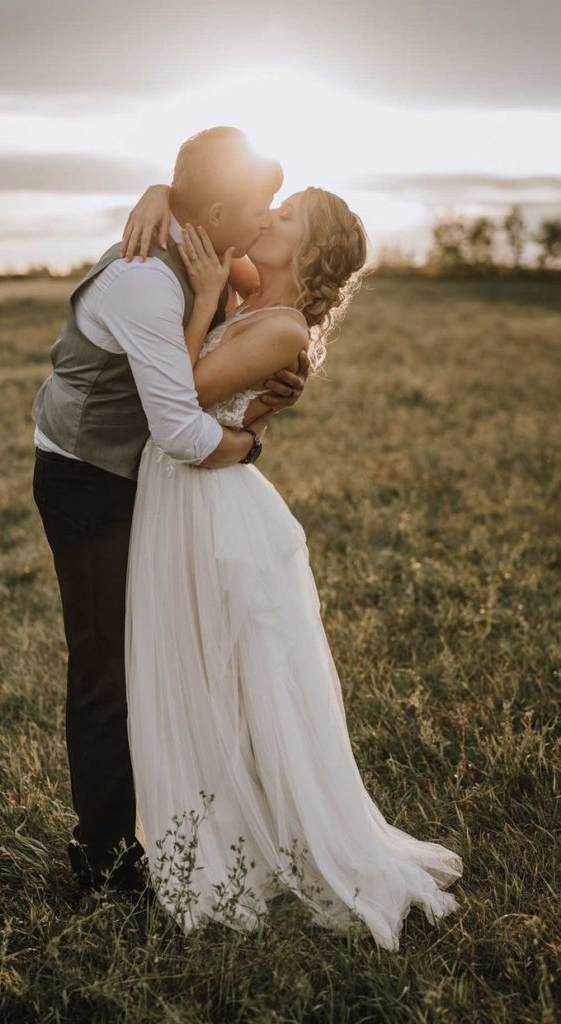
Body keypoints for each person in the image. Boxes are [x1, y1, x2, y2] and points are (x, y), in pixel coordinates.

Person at [121, 184, 463, 949]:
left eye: (282, 218)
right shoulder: (249, 285)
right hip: (181, 493)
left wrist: (205, 298)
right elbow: (200, 209)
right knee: (194, 667)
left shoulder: (279, 329)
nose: (262, 218)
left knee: (237, 678)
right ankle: (205, 824)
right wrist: (159, 193)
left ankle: (253, 838)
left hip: (211, 503)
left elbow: (173, 398)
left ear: (306, 253)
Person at [30, 127, 311, 896]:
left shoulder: (212, 241)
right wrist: (251, 441)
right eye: (257, 208)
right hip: (88, 476)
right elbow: (185, 433)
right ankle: (103, 861)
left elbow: (271, 288)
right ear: (217, 212)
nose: (266, 219)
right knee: (103, 668)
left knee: (169, 651)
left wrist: (165, 192)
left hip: (148, 480)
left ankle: (181, 820)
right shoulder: (145, 282)